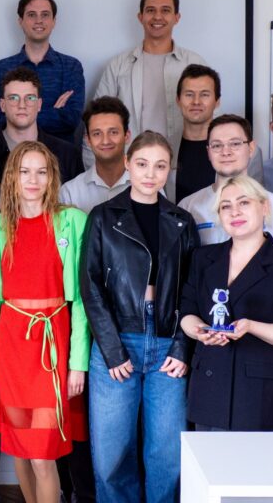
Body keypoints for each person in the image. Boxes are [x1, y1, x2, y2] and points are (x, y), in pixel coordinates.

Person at [82, 130, 198, 503]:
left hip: (167, 340)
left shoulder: (182, 221)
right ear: (128, 164)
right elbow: (90, 286)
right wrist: (112, 349)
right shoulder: (103, 217)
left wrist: (181, 347)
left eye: (160, 166)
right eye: (143, 164)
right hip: (119, 338)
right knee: (111, 455)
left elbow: (192, 289)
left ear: (169, 170)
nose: (150, 173)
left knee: (167, 454)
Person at [0, 141, 90, 503]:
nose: (33, 180)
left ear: (52, 177)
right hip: (11, 346)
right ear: (12, 176)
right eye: (24, 171)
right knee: (20, 448)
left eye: (41, 172)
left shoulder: (72, 221)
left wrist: (77, 364)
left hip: (52, 346)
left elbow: (82, 302)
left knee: (42, 454)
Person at [180, 175, 273, 431]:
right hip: (208, 381)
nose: (235, 212)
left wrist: (251, 326)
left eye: (244, 203)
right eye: (226, 206)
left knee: (252, 457)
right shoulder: (203, 258)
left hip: (256, 390)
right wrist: (200, 331)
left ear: (264, 207)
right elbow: (187, 312)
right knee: (206, 455)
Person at [91, 0, 206, 168]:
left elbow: (211, 119)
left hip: (183, 166)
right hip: (131, 169)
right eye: (151, 10)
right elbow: (95, 120)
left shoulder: (194, 64)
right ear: (141, 17)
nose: (157, 17)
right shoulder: (118, 66)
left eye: (165, 10)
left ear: (177, 17)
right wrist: (95, 170)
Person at [179, 115, 273, 253]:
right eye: (217, 145)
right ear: (208, 152)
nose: (226, 152)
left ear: (251, 148)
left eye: (235, 144)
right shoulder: (188, 207)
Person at [0, 0, 85, 142]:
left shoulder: (71, 67)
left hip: (59, 155)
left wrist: (18, 115)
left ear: (54, 21)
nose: (39, 20)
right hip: (11, 154)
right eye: (31, 15)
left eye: (45, 15)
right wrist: (53, 112)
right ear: (20, 21)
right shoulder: (0, 70)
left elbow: (71, 120)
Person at [0, 67, 84, 192]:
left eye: (30, 98)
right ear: (2, 105)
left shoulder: (68, 155)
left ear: (39, 105)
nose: (22, 105)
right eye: (13, 98)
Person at [173, 64, 263, 202]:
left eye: (204, 94)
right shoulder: (165, 148)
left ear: (217, 101)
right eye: (189, 94)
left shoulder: (249, 151)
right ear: (178, 100)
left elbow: (257, 201)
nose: (196, 101)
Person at [59, 96, 131, 213]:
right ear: (88, 140)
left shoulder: (149, 186)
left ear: (127, 136)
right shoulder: (69, 193)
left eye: (113, 132)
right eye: (97, 134)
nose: (105, 141)